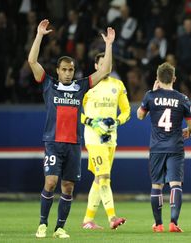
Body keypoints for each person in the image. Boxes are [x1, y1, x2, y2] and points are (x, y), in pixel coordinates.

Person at [28, 19, 115, 238]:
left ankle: (59, 228)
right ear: (57, 70)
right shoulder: (49, 84)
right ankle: (42, 224)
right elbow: (32, 61)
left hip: (74, 143)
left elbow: (105, 69)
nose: (68, 73)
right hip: (53, 141)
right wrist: (39, 35)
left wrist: (109, 45)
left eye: (71, 70)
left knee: (68, 188)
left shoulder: (81, 86)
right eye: (65, 69)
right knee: (51, 181)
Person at [137, 62, 191, 233]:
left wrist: (153, 92)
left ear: (157, 78)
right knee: (175, 183)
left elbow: (140, 116)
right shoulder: (182, 99)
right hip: (175, 146)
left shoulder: (150, 96)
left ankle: (158, 224)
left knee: (157, 185)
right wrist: (188, 131)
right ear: (174, 78)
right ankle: (173, 223)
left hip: (156, 147)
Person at [81, 52, 131, 230]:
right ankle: (112, 217)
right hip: (94, 138)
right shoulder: (87, 86)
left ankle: (88, 220)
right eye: (101, 64)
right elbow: (76, 112)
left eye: (108, 64)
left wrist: (117, 121)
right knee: (104, 177)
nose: (105, 67)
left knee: (98, 178)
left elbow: (126, 111)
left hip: (111, 138)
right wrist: (90, 122)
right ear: (96, 66)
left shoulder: (118, 85)